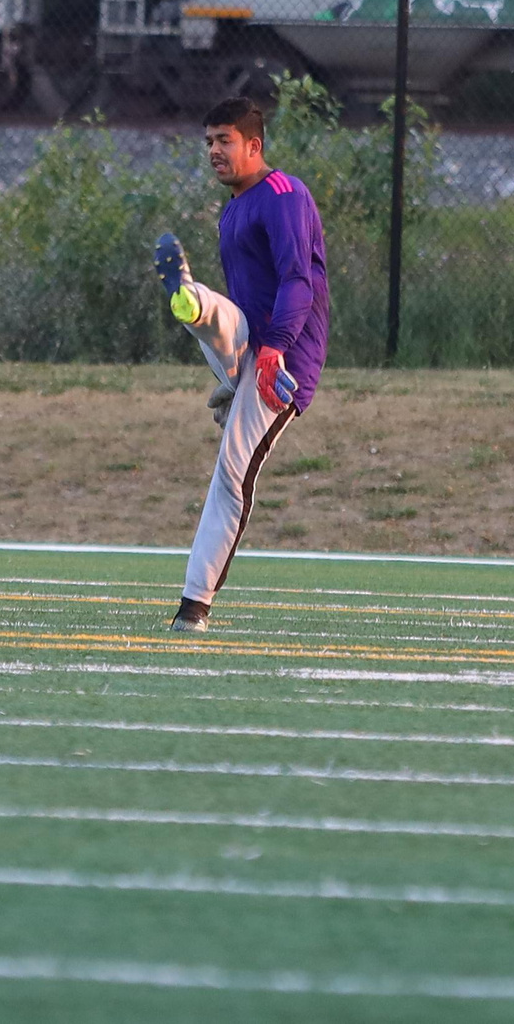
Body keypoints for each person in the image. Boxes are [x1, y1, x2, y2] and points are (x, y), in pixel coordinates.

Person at [151, 96, 329, 632]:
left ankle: (194, 605)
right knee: (216, 313)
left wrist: (274, 350)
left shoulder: (284, 195)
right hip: (248, 343)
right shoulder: (234, 208)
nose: (213, 150)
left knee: (231, 473)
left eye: (224, 140)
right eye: (208, 141)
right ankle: (191, 301)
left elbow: (299, 281)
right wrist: (232, 376)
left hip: (284, 357)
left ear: (254, 145)